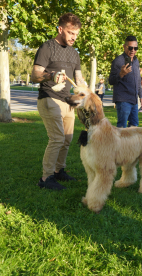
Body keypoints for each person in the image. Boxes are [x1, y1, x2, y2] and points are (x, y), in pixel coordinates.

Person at [31, 12, 85, 190]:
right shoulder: (47, 47)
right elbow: (35, 75)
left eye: (76, 34)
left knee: (67, 139)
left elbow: (79, 79)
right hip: (49, 98)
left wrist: (87, 93)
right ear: (60, 29)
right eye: (71, 33)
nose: (74, 37)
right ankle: (46, 178)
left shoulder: (74, 54)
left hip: (68, 102)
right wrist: (51, 75)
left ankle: (58, 171)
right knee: (57, 138)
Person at [109, 36, 142, 128]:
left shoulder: (136, 61)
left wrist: (141, 97)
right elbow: (111, 80)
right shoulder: (118, 61)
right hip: (123, 100)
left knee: (134, 126)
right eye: (130, 47)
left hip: (134, 100)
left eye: (135, 48)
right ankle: (120, 143)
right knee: (122, 128)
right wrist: (121, 74)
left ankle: (131, 143)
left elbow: (137, 80)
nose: (133, 50)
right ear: (124, 47)